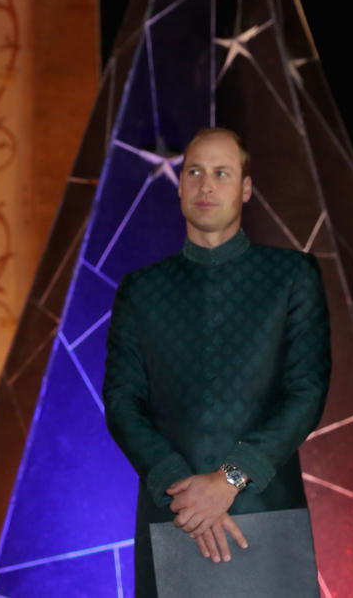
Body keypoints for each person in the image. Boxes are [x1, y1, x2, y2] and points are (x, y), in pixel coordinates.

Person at [103, 127, 331, 596]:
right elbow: (122, 401)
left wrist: (228, 480)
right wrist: (184, 488)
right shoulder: (141, 289)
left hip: (265, 509)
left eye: (222, 173)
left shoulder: (292, 276)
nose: (207, 186)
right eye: (195, 172)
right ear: (181, 184)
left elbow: (306, 392)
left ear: (245, 188)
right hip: (176, 513)